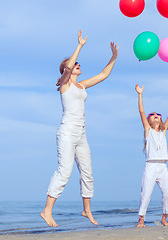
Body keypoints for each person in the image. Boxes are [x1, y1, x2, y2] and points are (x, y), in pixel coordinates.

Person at [40, 30, 119, 227]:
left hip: (81, 133)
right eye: (76, 64)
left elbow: (103, 75)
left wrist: (114, 57)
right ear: (67, 70)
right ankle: (47, 210)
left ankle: (86, 210)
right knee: (64, 171)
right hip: (67, 132)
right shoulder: (65, 85)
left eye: (78, 64)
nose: (78, 65)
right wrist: (80, 46)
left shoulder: (81, 86)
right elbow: (67, 66)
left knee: (87, 172)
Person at [135, 83, 168, 228]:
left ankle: (164, 219)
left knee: (167, 193)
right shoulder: (148, 131)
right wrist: (140, 94)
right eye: (153, 116)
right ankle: (141, 219)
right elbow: (141, 111)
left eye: (158, 115)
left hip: (163, 166)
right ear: (148, 121)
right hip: (151, 165)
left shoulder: (163, 132)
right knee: (146, 193)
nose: (156, 116)